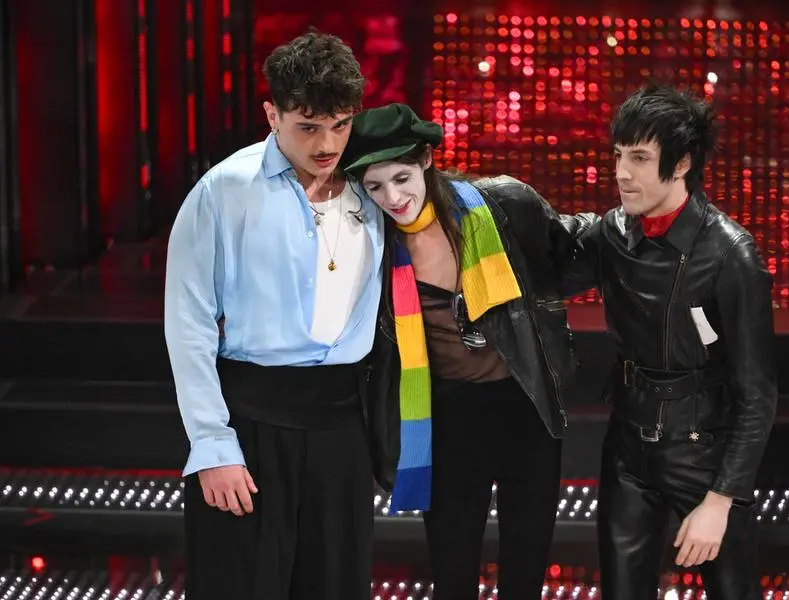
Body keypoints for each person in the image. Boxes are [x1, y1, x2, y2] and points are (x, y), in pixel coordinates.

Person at [164, 31, 389, 600]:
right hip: (252, 422)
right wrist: (213, 446)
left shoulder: (373, 188)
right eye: (308, 126)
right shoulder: (224, 190)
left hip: (341, 425)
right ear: (272, 114)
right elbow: (187, 323)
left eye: (340, 125)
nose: (327, 143)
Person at [340, 103, 584, 599]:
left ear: (427, 158)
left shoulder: (505, 204)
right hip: (448, 419)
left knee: (525, 576)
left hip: (526, 411)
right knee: (452, 577)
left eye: (402, 177)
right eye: (375, 187)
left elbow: (575, 251)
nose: (393, 197)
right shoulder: (370, 244)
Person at [574, 84, 778, 598]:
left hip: (703, 453)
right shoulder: (612, 233)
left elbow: (757, 395)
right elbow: (548, 258)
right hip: (627, 446)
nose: (622, 172)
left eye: (640, 158)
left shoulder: (731, 255)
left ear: (682, 162)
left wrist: (721, 499)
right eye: (618, 155)